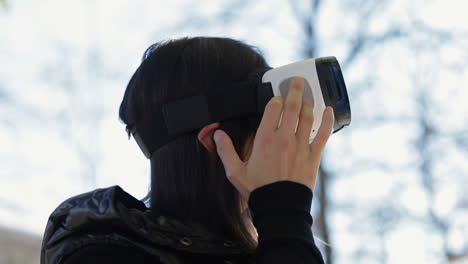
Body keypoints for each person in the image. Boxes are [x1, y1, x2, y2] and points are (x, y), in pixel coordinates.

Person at [40, 36, 334, 264]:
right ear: (216, 143)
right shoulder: (102, 257)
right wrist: (283, 210)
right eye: (265, 130)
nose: (279, 149)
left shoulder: (272, 246)